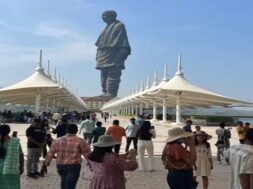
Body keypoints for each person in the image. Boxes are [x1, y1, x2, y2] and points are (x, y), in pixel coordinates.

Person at [95, 10, 131, 97]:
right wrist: (97, 54)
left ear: (112, 16)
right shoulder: (106, 28)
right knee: (104, 75)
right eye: (102, 16)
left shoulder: (119, 26)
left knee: (113, 73)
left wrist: (121, 54)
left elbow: (123, 42)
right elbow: (99, 43)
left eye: (105, 16)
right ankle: (105, 91)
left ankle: (111, 93)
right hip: (103, 54)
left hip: (113, 54)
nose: (103, 18)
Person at [45, 124, 91, 189]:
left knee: (64, 181)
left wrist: (46, 164)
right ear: (76, 130)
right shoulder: (80, 141)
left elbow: (50, 153)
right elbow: (87, 153)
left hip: (60, 166)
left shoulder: (57, 140)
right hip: (74, 166)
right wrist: (92, 164)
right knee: (70, 185)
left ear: (66, 130)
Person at [0, 124, 24, 189]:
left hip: (1, 170)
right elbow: (21, 155)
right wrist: (21, 167)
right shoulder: (15, 142)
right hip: (13, 169)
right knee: (13, 186)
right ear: (9, 131)